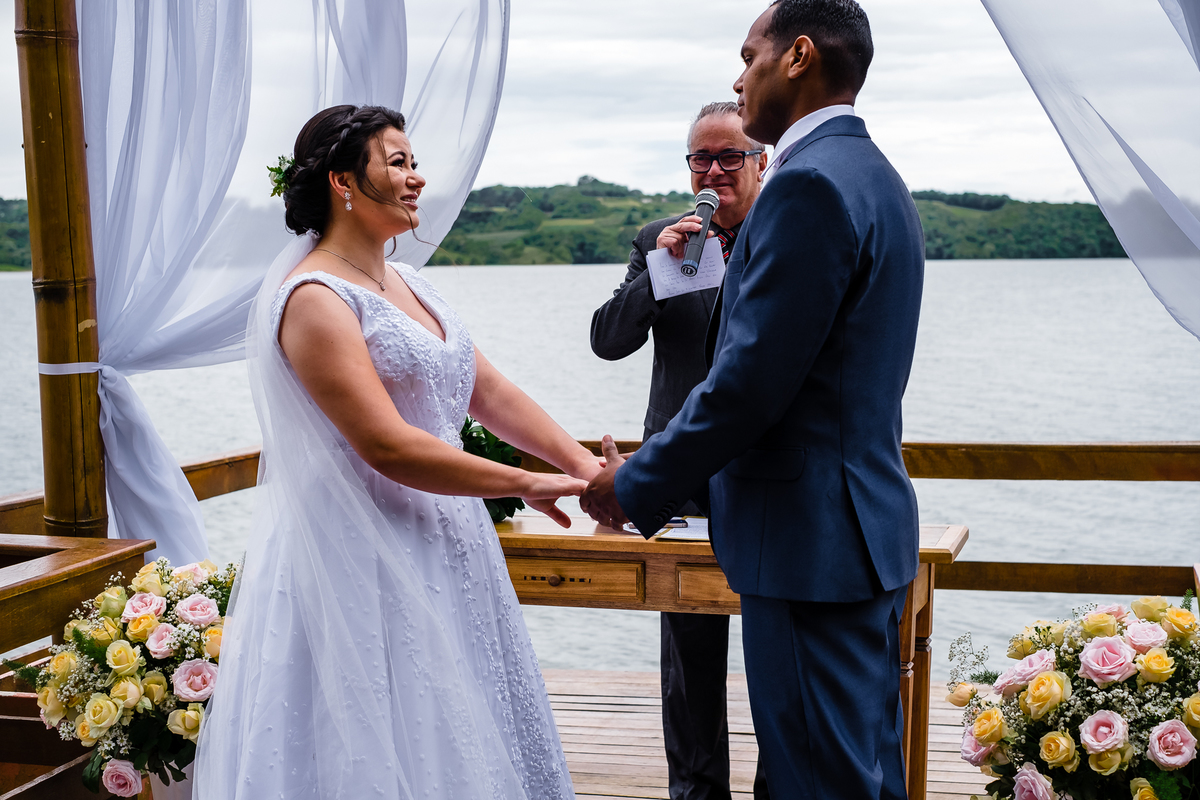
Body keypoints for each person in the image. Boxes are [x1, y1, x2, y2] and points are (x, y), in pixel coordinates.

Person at [194, 104, 599, 799]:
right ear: (344, 181)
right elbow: (385, 444)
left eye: (414, 163)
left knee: (466, 725)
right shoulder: (315, 299)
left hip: (450, 540)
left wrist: (586, 469)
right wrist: (522, 484)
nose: (417, 179)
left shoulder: (415, 285)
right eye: (399, 162)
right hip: (360, 550)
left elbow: (490, 392)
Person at [580, 1, 925, 797]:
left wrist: (629, 485)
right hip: (857, 533)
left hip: (808, 543)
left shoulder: (805, 188)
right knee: (859, 770)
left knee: (813, 780)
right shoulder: (875, 175)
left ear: (798, 56)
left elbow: (747, 386)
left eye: (749, 56)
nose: (740, 80)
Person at [589, 101, 767, 800]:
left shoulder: (786, 231)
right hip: (681, 473)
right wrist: (658, 272)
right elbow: (608, 340)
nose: (715, 170)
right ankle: (697, 793)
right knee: (690, 655)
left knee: (776, 647)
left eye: (730, 156)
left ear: (761, 160)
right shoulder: (658, 238)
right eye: (702, 158)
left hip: (763, 473)